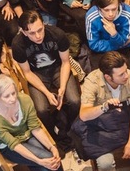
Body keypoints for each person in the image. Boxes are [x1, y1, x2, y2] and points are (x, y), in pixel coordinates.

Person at [0, 73, 65, 171]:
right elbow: (14, 144)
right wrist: (39, 160)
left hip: (28, 134)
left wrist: (52, 146)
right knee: (50, 159)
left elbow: (35, 127)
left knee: (46, 167)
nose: (12, 99)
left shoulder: (25, 100)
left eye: (13, 93)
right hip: (10, 147)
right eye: (7, 96)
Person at [11, 11, 79, 146]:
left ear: (43, 24)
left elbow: (66, 62)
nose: (38, 36)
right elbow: (27, 72)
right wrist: (47, 93)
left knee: (74, 100)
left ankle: (71, 128)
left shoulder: (57, 34)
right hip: (36, 74)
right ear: (24, 32)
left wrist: (63, 87)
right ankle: (52, 134)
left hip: (58, 68)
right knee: (41, 110)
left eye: (40, 30)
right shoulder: (18, 44)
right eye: (31, 33)